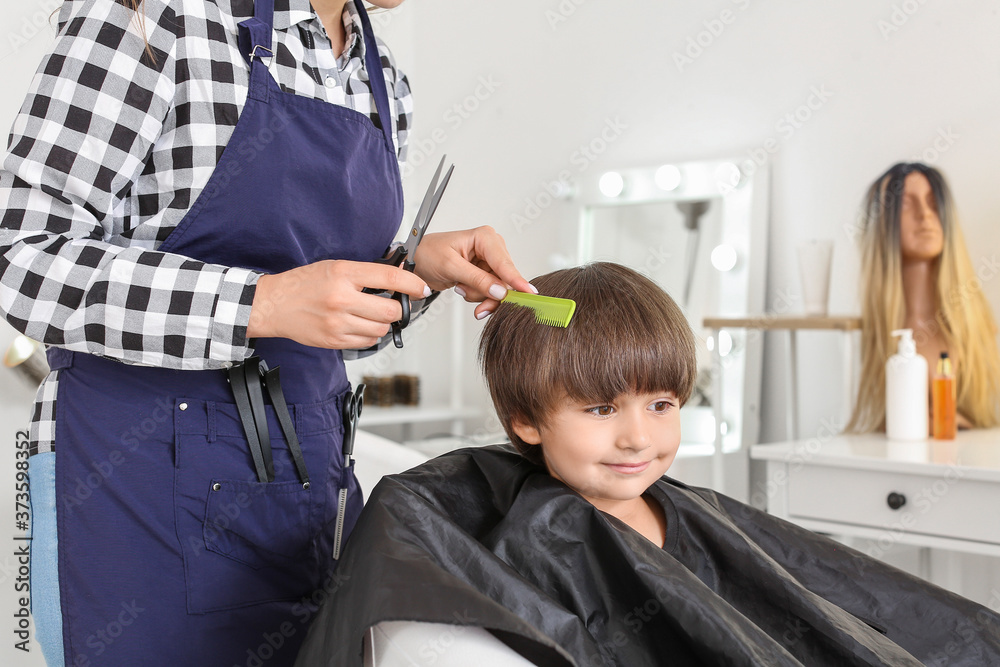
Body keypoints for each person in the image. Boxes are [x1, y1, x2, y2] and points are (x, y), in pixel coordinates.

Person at [0, 0, 532, 664]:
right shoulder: (164, 15)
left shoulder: (381, 72)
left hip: (303, 490)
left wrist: (412, 269)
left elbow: (324, 329)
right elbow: (24, 258)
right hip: (137, 489)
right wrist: (261, 301)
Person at [294, 262, 1000, 666]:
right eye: (601, 410)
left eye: (662, 403)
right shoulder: (537, 537)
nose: (638, 436)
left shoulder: (691, 509)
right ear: (526, 420)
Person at [847, 162, 1000, 434]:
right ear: (881, 223)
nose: (924, 215)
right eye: (906, 204)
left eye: (932, 203)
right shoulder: (877, 333)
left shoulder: (979, 327)